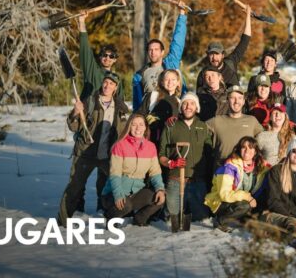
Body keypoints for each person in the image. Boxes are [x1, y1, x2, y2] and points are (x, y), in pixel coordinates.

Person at [58, 72, 131, 224]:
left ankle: (112, 218)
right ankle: (62, 221)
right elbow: (74, 126)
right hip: (86, 152)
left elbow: (124, 133)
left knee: (115, 186)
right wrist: (75, 113)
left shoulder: (121, 108)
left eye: (111, 84)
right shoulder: (89, 102)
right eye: (105, 82)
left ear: (115, 88)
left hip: (108, 155)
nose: (107, 86)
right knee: (74, 187)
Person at [159, 92, 213, 232]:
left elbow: (209, 153)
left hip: (197, 182)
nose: (188, 106)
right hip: (175, 180)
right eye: (185, 103)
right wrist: (171, 163)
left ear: (197, 107)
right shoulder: (170, 126)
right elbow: (161, 156)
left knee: (201, 220)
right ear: (181, 106)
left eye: (192, 103)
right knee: (170, 218)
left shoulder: (203, 127)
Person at [101, 114, 166, 225]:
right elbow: (115, 173)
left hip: (136, 192)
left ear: (146, 127)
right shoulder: (120, 145)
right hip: (114, 193)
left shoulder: (150, 147)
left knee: (160, 198)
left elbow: (155, 172)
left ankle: (139, 219)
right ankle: (110, 216)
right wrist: (118, 194)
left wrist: (160, 189)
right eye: (134, 124)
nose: (138, 128)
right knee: (126, 205)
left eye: (141, 124)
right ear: (129, 127)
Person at [205, 136, 270, 231]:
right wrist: (248, 197)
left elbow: (274, 171)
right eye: (244, 147)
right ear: (239, 150)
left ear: (255, 151)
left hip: (241, 201)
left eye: (251, 147)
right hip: (222, 203)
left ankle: (243, 219)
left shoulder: (260, 167)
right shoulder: (229, 167)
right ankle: (220, 221)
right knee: (245, 205)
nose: (247, 150)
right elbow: (225, 195)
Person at [132, 5, 187, 110]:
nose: (153, 53)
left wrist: (182, 15)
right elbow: (137, 102)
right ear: (147, 52)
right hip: (151, 114)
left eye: (156, 50)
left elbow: (178, 42)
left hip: (173, 110)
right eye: (150, 50)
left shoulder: (171, 64)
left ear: (162, 52)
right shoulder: (139, 76)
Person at [196, 6, 252, 89]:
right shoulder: (204, 74)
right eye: (211, 54)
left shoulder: (231, 62)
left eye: (217, 54)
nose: (214, 58)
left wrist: (248, 16)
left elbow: (245, 40)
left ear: (222, 55)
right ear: (208, 55)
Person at [206, 85, 263, 166]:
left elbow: (265, 139)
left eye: (240, 98)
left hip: (244, 173)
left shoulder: (252, 121)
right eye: (233, 98)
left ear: (243, 101)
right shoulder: (216, 121)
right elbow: (197, 129)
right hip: (221, 172)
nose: (236, 101)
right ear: (227, 100)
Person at [77, 13, 123, 100]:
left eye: (111, 56)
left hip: (108, 113)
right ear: (100, 57)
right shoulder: (92, 71)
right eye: (105, 55)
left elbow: (120, 102)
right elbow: (85, 48)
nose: (107, 58)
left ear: (115, 60)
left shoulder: (116, 79)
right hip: (89, 112)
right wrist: (82, 21)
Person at [138, 68, 181, 146]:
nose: (170, 82)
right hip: (151, 141)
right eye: (167, 79)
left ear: (178, 82)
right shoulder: (153, 96)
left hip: (171, 143)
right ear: (161, 82)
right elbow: (139, 115)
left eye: (173, 79)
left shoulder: (179, 102)